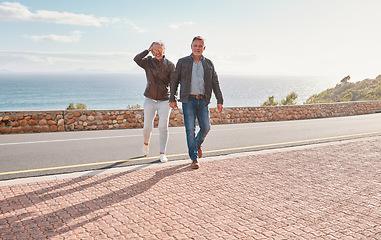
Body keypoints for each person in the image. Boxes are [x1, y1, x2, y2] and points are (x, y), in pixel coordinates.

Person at [170, 36, 223, 169]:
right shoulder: (182, 62)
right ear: (191, 47)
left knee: (206, 127)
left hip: (203, 101)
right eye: (195, 46)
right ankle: (194, 158)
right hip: (188, 100)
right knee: (190, 130)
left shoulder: (209, 64)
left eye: (200, 46)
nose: (197, 48)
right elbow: (175, 81)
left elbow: (215, 82)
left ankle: (197, 144)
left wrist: (219, 100)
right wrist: (172, 98)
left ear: (204, 48)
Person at [134, 41, 175, 163]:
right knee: (147, 127)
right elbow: (136, 59)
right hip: (149, 99)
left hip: (165, 100)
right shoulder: (148, 62)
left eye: (159, 50)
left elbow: (173, 84)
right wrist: (147, 50)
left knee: (163, 126)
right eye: (154, 50)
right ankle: (146, 144)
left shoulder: (170, 65)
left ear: (164, 50)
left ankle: (162, 153)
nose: (156, 52)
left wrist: (173, 99)